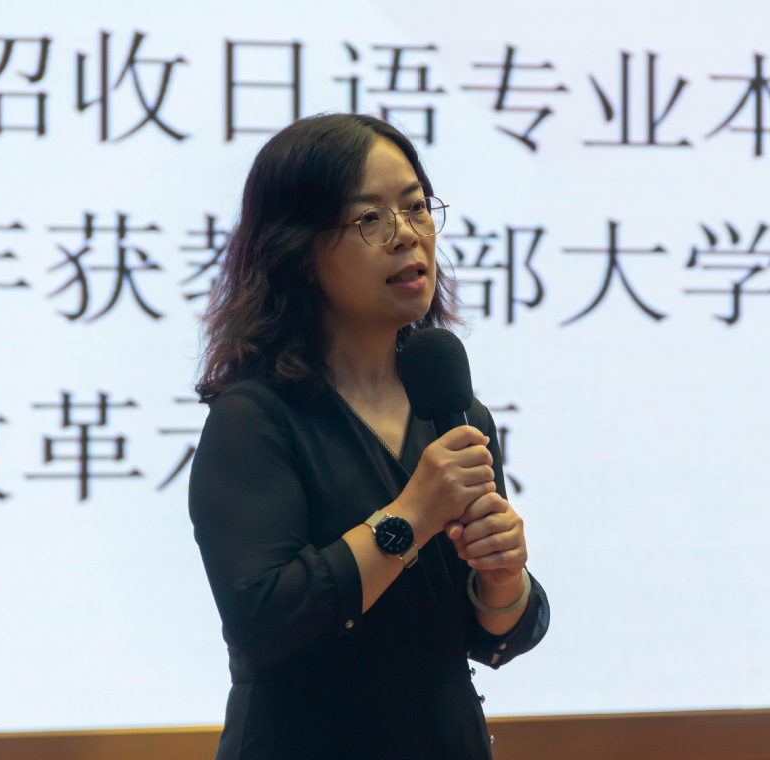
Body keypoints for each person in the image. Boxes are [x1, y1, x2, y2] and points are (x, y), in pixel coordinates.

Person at [188, 113, 549, 760]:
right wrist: (411, 515)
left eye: (416, 207)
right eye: (370, 218)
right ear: (299, 252)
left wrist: (501, 581)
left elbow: (485, 637)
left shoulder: (454, 409)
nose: (406, 233)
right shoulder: (254, 418)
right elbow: (264, 618)